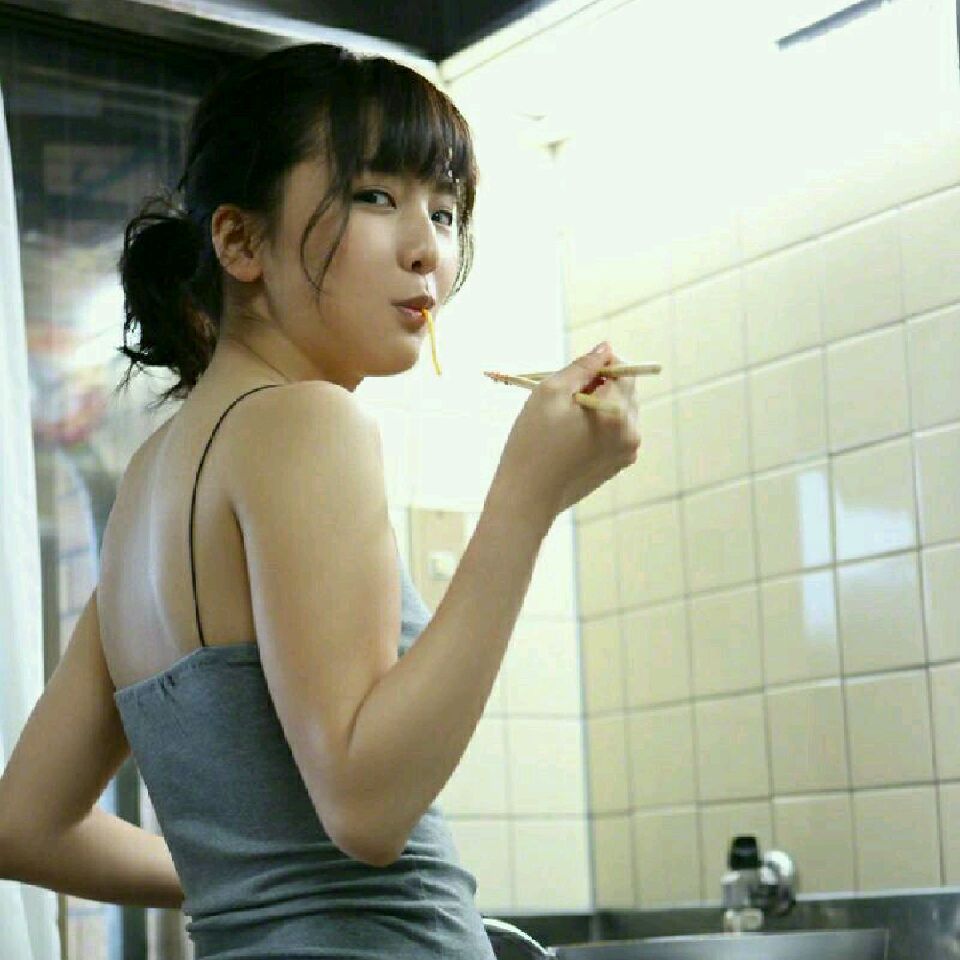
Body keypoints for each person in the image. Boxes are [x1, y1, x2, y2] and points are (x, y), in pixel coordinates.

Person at [1, 41, 640, 959]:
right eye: (375, 195)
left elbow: (25, 825)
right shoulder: (308, 422)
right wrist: (528, 498)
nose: (427, 248)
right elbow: (366, 808)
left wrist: (253, 881)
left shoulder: (145, 489)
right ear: (239, 241)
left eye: (445, 211)